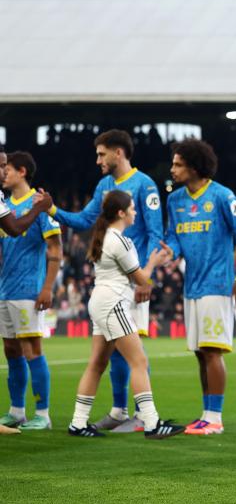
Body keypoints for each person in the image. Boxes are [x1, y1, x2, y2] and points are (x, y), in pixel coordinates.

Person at [48, 129, 164, 433]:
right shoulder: (104, 187)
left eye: (102, 154)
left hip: (127, 283)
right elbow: (86, 220)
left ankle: (130, 414)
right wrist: (53, 210)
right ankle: (131, 414)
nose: (98, 159)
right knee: (129, 354)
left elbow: (155, 233)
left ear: (119, 153)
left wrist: (141, 282)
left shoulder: (145, 184)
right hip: (124, 280)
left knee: (114, 354)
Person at [67, 190, 181, 439]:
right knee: (139, 361)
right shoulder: (120, 240)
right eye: (132, 208)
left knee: (96, 364)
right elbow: (141, 279)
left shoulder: (105, 237)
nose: (135, 212)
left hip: (100, 301)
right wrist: (154, 262)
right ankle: (152, 424)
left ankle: (78, 423)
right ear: (121, 213)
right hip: (113, 303)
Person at [165, 139, 236, 435]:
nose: (173, 169)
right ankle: (206, 414)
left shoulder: (221, 196)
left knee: (213, 351)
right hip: (192, 285)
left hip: (217, 283)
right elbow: (174, 237)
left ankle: (214, 418)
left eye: (178, 164)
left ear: (194, 166)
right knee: (200, 353)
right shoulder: (175, 200)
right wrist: (170, 253)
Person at [0, 152, 61, 431]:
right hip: (5, 288)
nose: (4, 174)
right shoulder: (5, 205)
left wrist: (47, 287)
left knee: (32, 349)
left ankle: (43, 414)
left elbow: (55, 249)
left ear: (21, 171)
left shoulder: (40, 203)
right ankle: (16, 411)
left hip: (29, 288)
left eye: (7, 169)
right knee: (11, 350)